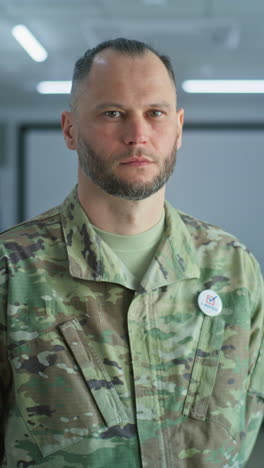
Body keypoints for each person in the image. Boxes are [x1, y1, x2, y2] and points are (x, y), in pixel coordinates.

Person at [0, 38, 263, 468]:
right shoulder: (12, 269)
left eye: (154, 114)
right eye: (112, 113)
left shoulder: (232, 267)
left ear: (178, 128)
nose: (137, 134)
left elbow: (247, 418)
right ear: (70, 129)